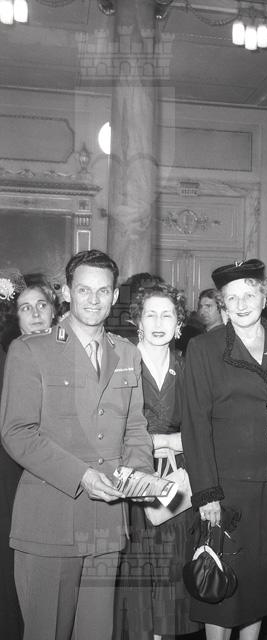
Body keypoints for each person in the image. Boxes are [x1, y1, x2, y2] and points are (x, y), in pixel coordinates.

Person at [0, 249, 154, 640]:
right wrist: (82, 475)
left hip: (106, 524)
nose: (93, 299)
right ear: (67, 292)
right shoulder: (30, 350)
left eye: (103, 291)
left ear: (114, 296)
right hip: (49, 522)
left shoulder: (127, 352)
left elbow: (136, 426)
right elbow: (17, 432)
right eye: (84, 290)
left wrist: (139, 472)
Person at [181, 259, 267, 640]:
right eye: (232, 298)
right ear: (223, 304)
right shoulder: (205, 348)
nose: (242, 304)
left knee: (261, 587)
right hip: (227, 492)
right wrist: (207, 493)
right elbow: (195, 425)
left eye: (249, 294)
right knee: (221, 587)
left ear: (265, 297)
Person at [114, 282, 202, 640]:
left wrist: (169, 440)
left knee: (172, 569)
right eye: (150, 314)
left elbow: (205, 426)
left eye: (167, 315)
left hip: (177, 483)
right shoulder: (120, 362)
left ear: (179, 324)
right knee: (136, 571)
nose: (158, 323)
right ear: (138, 321)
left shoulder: (189, 366)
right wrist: (149, 443)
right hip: (131, 479)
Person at [0, 269, 59, 640]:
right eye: (26, 308)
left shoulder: (73, 354)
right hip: (14, 471)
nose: (36, 314)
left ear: (54, 310)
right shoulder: (10, 358)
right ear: (16, 317)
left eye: (41, 306)